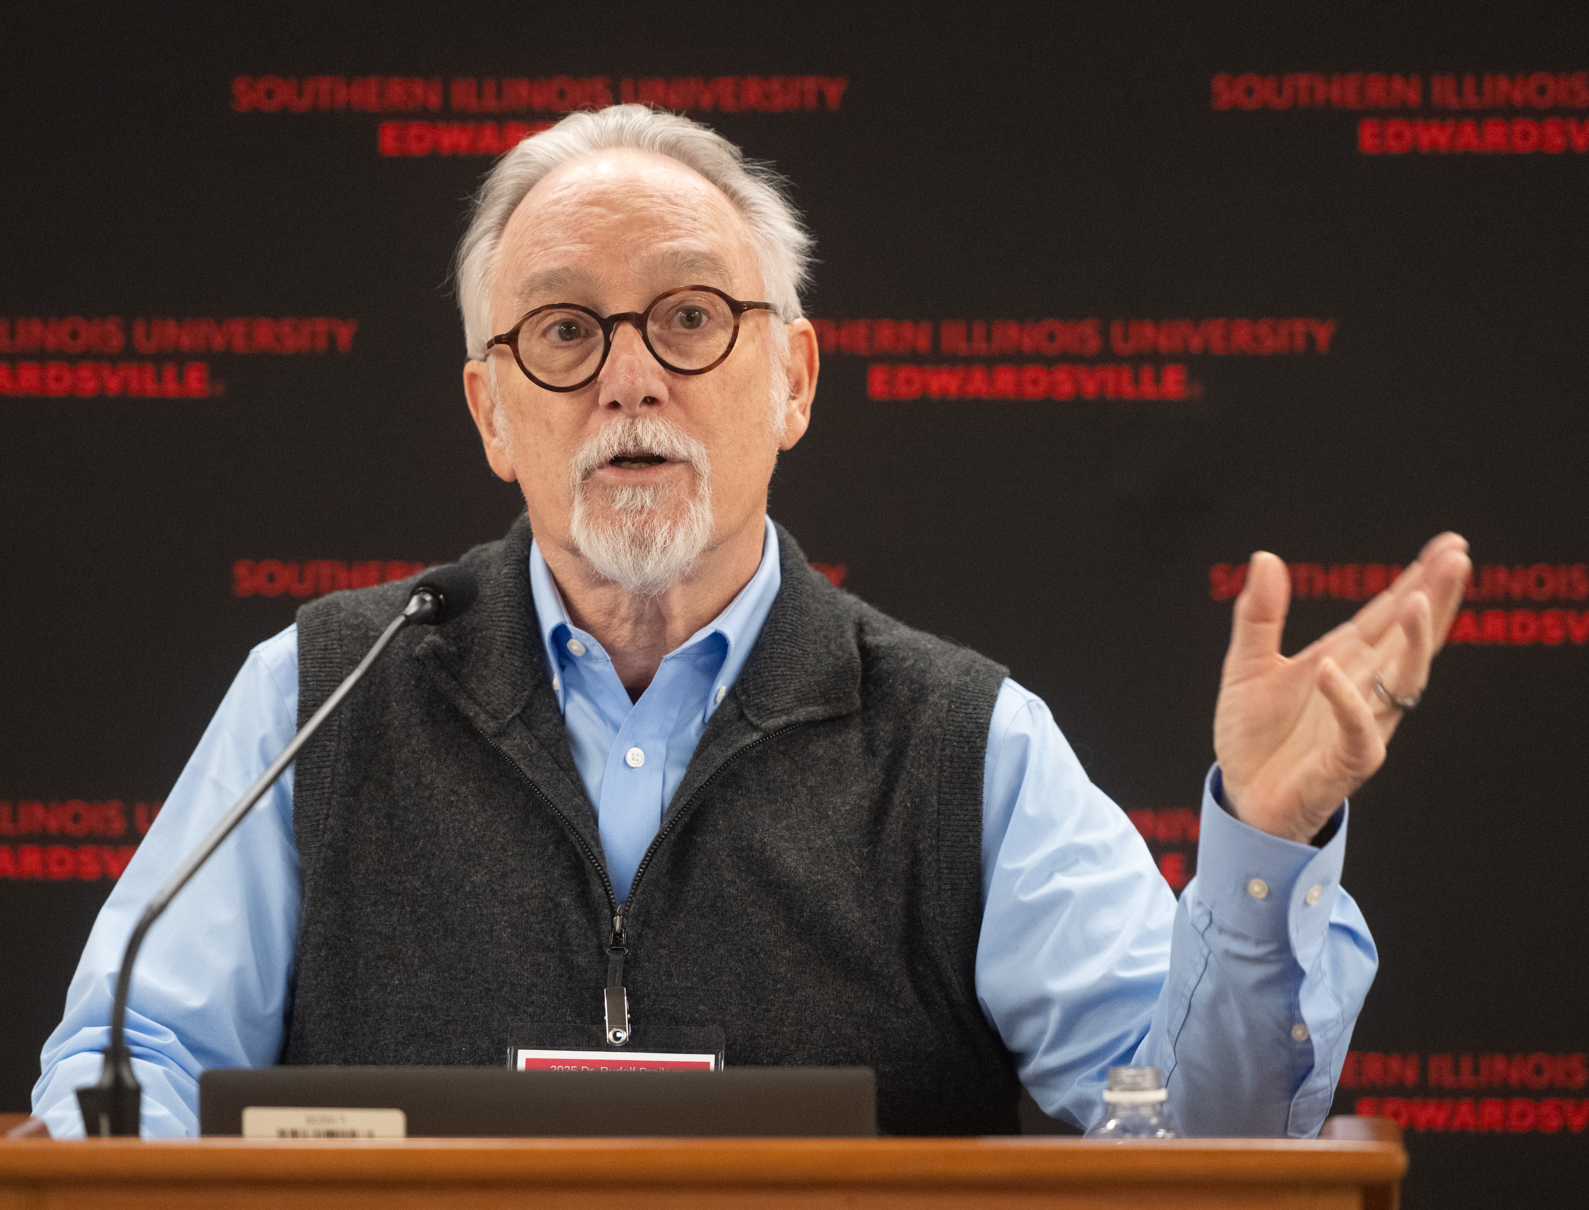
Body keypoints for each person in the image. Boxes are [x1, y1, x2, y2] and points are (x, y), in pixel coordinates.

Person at [33, 105, 1470, 1138]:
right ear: (490, 409)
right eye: (563, 332)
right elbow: (129, 1054)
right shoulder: (319, 694)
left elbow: (1192, 1139)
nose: (630, 380)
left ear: (792, 379)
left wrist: (1264, 850)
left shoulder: (962, 741)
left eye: (691, 318)